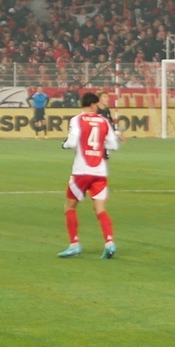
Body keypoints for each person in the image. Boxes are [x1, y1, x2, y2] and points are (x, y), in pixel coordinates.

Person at [58, 92, 120, 259]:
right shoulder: (104, 121)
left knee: (69, 207)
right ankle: (109, 243)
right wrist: (100, 143)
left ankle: (74, 245)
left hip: (81, 171)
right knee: (100, 209)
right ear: (93, 105)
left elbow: (71, 142)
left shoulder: (77, 119)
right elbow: (113, 146)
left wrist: (64, 145)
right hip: (99, 171)